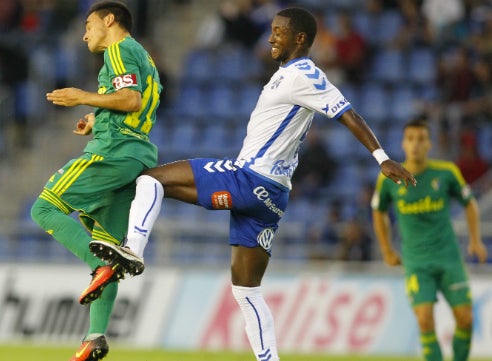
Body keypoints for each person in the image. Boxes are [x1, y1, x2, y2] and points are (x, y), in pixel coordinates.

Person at [88, 7, 416, 361]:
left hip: (249, 178)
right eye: (272, 30)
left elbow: (347, 113)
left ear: (300, 38)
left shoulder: (304, 73)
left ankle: (133, 249)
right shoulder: (286, 74)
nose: (271, 37)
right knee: (247, 291)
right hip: (272, 197)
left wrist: (381, 157)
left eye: (279, 32)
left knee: (150, 179)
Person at [29, 2, 162, 361]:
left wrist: (81, 97)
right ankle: (95, 336)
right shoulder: (144, 57)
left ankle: (98, 266)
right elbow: (137, 100)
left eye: (88, 24)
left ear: (109, 20)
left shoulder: (119, 49)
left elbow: (131, 99)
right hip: (135, 157)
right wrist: (96, 115)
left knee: (43, 208)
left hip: (113, 152)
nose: (85, 33)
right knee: (106, 245)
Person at [371, 117, 488, 361]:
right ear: (403, 144)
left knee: (466, 318)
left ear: (429, 144)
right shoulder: (389, 178)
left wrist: (475, 240)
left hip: (449, 259)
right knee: (425, 320)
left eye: (421, 139)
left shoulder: (446, 173)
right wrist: (386, 249)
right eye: (410, 139)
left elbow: (470, 204)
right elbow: (378, 211)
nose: (415, 144)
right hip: (416, 263)